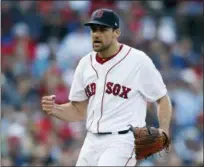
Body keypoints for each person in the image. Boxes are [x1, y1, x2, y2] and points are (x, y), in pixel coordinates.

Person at [41, 8, 172, 166]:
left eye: (103, 29)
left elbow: (162, 98)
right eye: (93, 29)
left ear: (116, 32)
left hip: (123, 140)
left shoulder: (138, 61)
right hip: (91, 139)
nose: (96, 34)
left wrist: (164, 131)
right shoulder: (85, 64)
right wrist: (55, 109)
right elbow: (78, 110)